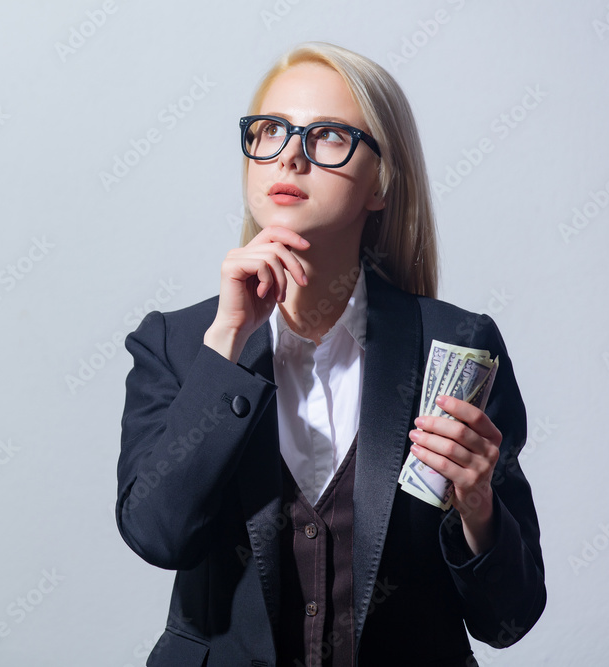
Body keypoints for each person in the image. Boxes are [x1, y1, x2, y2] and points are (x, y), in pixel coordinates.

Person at [115, 41, 545, 667]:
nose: (290, 154)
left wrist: (477, 505)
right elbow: (157, 533)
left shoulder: (455, 346)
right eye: (270, 131)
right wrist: (226, 346)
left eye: (328, 137)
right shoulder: (178, 345)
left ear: (382, 183)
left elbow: (508, 619)